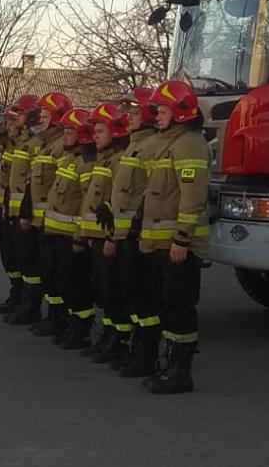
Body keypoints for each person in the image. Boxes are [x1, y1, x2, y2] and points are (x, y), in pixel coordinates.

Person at [140, 79, 212, 395]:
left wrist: (182, 239)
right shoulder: (170, 142)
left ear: (181, 112)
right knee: (166, 305)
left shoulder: (189, 144)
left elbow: (192, 197)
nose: (157, 115)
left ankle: (181, 374)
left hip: (178, 246)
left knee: (179, 307)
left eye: (163, 109)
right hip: (162, 243)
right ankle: (170, 367)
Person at [108, 87, 162, 377]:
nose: (128, 117)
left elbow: (153, 192)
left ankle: (147, 355)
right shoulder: (135, 145)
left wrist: (138, 228)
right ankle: (137, 349)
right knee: (131, 296)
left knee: (144, 298)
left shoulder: (151, 146)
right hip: (127, 234)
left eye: (133, 112)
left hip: (140, 235)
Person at [10, 92, 72, 328]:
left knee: (53, 271)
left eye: (45, 115)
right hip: (42, 220)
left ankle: (55, 316)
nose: (41, 120)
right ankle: (46, 313)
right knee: (43, 268)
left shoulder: (57, 146)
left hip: (51, 221)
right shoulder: (45, 143)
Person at [77, 102, 128, 360]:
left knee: (113, 293)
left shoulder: (118, 162)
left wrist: (111, 237)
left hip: (108, 239)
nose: (94, 136)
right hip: (97, 238)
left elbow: (119, 204)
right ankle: (109, 337)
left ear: (116, 132)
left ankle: (118, 341)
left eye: (100, 131)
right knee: (105, 293)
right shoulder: (104, 160)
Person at [43, 108, 96, 350]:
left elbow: (87, 203)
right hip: (57, 234)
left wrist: (80, 237)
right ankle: (66, 323)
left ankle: (81, 329)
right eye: (63, 130)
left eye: (69, 131)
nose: (64, 135)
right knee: (62, 281)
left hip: (73, 237)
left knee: (77, 286)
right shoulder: (69, 160)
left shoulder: (86, 163)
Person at [0, 95, 39, 315]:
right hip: (7, 208)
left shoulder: (30, 145)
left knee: (25, 258)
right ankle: (17, 294)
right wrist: (2, 134)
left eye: (14, 119)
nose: (9, 125)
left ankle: (27, 302)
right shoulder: (15, 144)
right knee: (10, 256)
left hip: (20, 211)